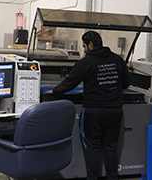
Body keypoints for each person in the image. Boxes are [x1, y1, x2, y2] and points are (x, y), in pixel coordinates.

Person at [46, 31, 130, 180]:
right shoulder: (117, 60)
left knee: (93, 147)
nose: (84, 50)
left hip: (94, 112)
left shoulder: (86, 62)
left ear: (91, 45)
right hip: (115, 111)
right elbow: (125, 83)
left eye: (84, 46)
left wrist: (55, 91)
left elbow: (70, 81)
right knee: (111, 148)